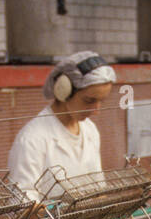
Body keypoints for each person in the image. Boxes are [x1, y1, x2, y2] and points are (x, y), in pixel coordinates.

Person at [7, 51, 116, 201]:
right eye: (89, 101)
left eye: (101, 101)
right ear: (63, 90)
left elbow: (99, 189)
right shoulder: (32, 139)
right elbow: (21, 201)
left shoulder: (90, 130)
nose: (96, 111)